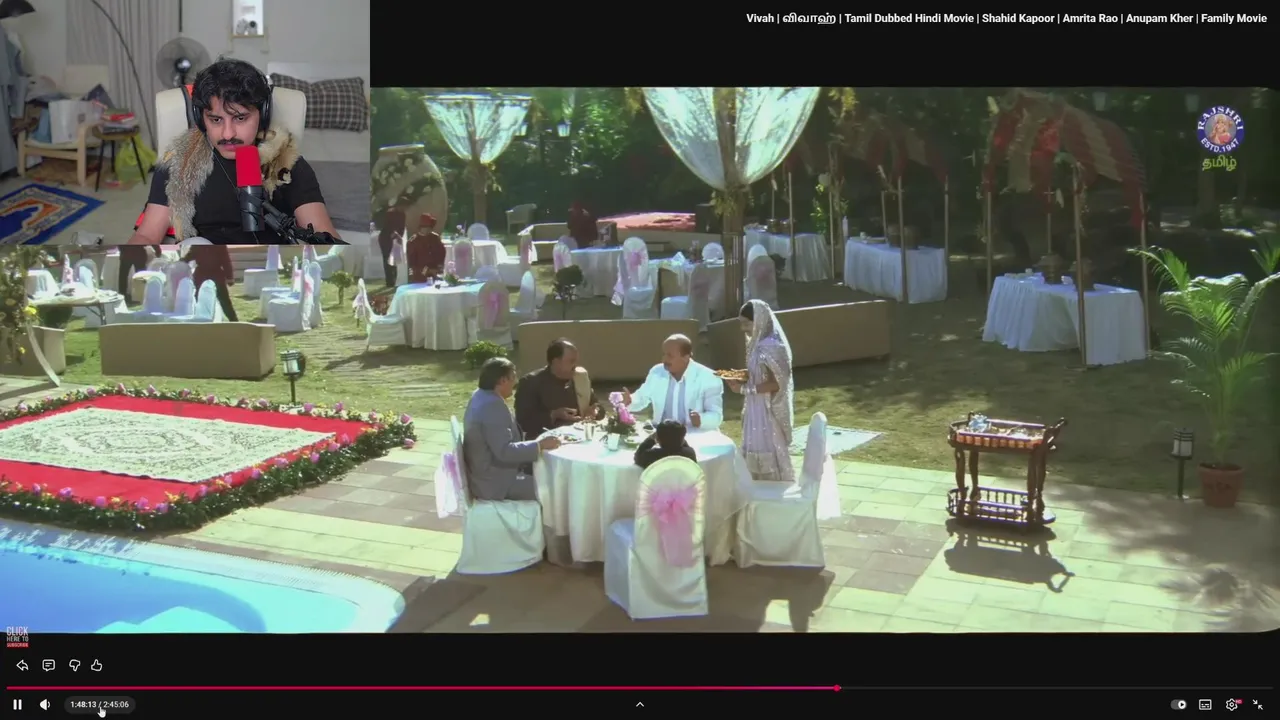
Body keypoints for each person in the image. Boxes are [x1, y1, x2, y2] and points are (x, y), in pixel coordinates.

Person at [127, 58, 339, 245]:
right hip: (203, 266)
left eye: (240, 118)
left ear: (262, 116)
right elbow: (147, 236)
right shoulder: (178, 165)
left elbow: (323, 235)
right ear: (201, 120)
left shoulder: (286, 165)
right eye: (216, 120)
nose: (228, 134)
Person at [463, 357, 560, 501]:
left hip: (489, 475)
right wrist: (540, 445)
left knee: (547, 473)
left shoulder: (480, 395)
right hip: (497, 483)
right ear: (502, 380)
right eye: (513, 377)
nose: (516, 382)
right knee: (555, 489)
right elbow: (504, 452)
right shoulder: (492, 406)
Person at [725, 299, 794, 483]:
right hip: (754, 407)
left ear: (760, 321)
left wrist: (744, 389)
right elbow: (759, 372)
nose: (743, 329)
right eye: (741, 324)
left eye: (747, 324)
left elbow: (776, 384)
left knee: (767, 445)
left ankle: (773, 484)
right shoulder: (757, 343)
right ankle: (754, 484)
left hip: (766, 409)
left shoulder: (772, 346)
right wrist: (741, 375)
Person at [621, 334, 723, 430]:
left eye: (670, 355)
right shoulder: (657, 372)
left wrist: (701, 420)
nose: (664, 359)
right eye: (664, 354)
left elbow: (716, 415)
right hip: (661, 434)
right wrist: (630, 401)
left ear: (686, 357)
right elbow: (642, 398)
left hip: (694, 434)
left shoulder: (709, 377)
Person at [514, 338, 603, 440]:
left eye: (576, 361)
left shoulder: (579, 378)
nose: (575, 366)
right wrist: (554, 415)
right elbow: (523, 421)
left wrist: (595, 411)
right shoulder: (531, 382)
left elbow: (597, 406)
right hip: (546, 443)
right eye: (571, 361)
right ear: (556, 362)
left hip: (579, 439)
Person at [181, 244, 239, 321]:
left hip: (216, 273)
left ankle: (234, 321)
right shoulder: (198, 243)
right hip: (201, 274)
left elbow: (225, 260)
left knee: (224, 300)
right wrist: (182, 261)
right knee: (197, 298)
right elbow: (191, 254)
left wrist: (229, 277)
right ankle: (198, 319)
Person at [633, 419, 698, 469]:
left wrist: (651, 438)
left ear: (657, 439)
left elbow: (638, 456)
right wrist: (679, 436)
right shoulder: (689, 453)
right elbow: (685, 445)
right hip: (684, 483)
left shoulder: (651, 455)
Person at [406, 213, 445, 283]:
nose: (429, 229)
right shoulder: (413, 242)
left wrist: (439, 268)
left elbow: (442, 253)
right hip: (419, 277)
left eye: (430, 227)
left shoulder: (435, 238)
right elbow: (412, 265)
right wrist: (428, 270)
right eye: (427, 227)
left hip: (436, 275)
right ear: (421, 228)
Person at [379, 203, 407, 286]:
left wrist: (399, 236)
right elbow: (387, 226)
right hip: (385, 239)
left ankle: (395, 279)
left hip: (396, 239)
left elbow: (402, 228)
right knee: (387, 259)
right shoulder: (390, 212)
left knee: (395, 259)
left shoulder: (403, 214)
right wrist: (394, 233)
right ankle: (389, 281)